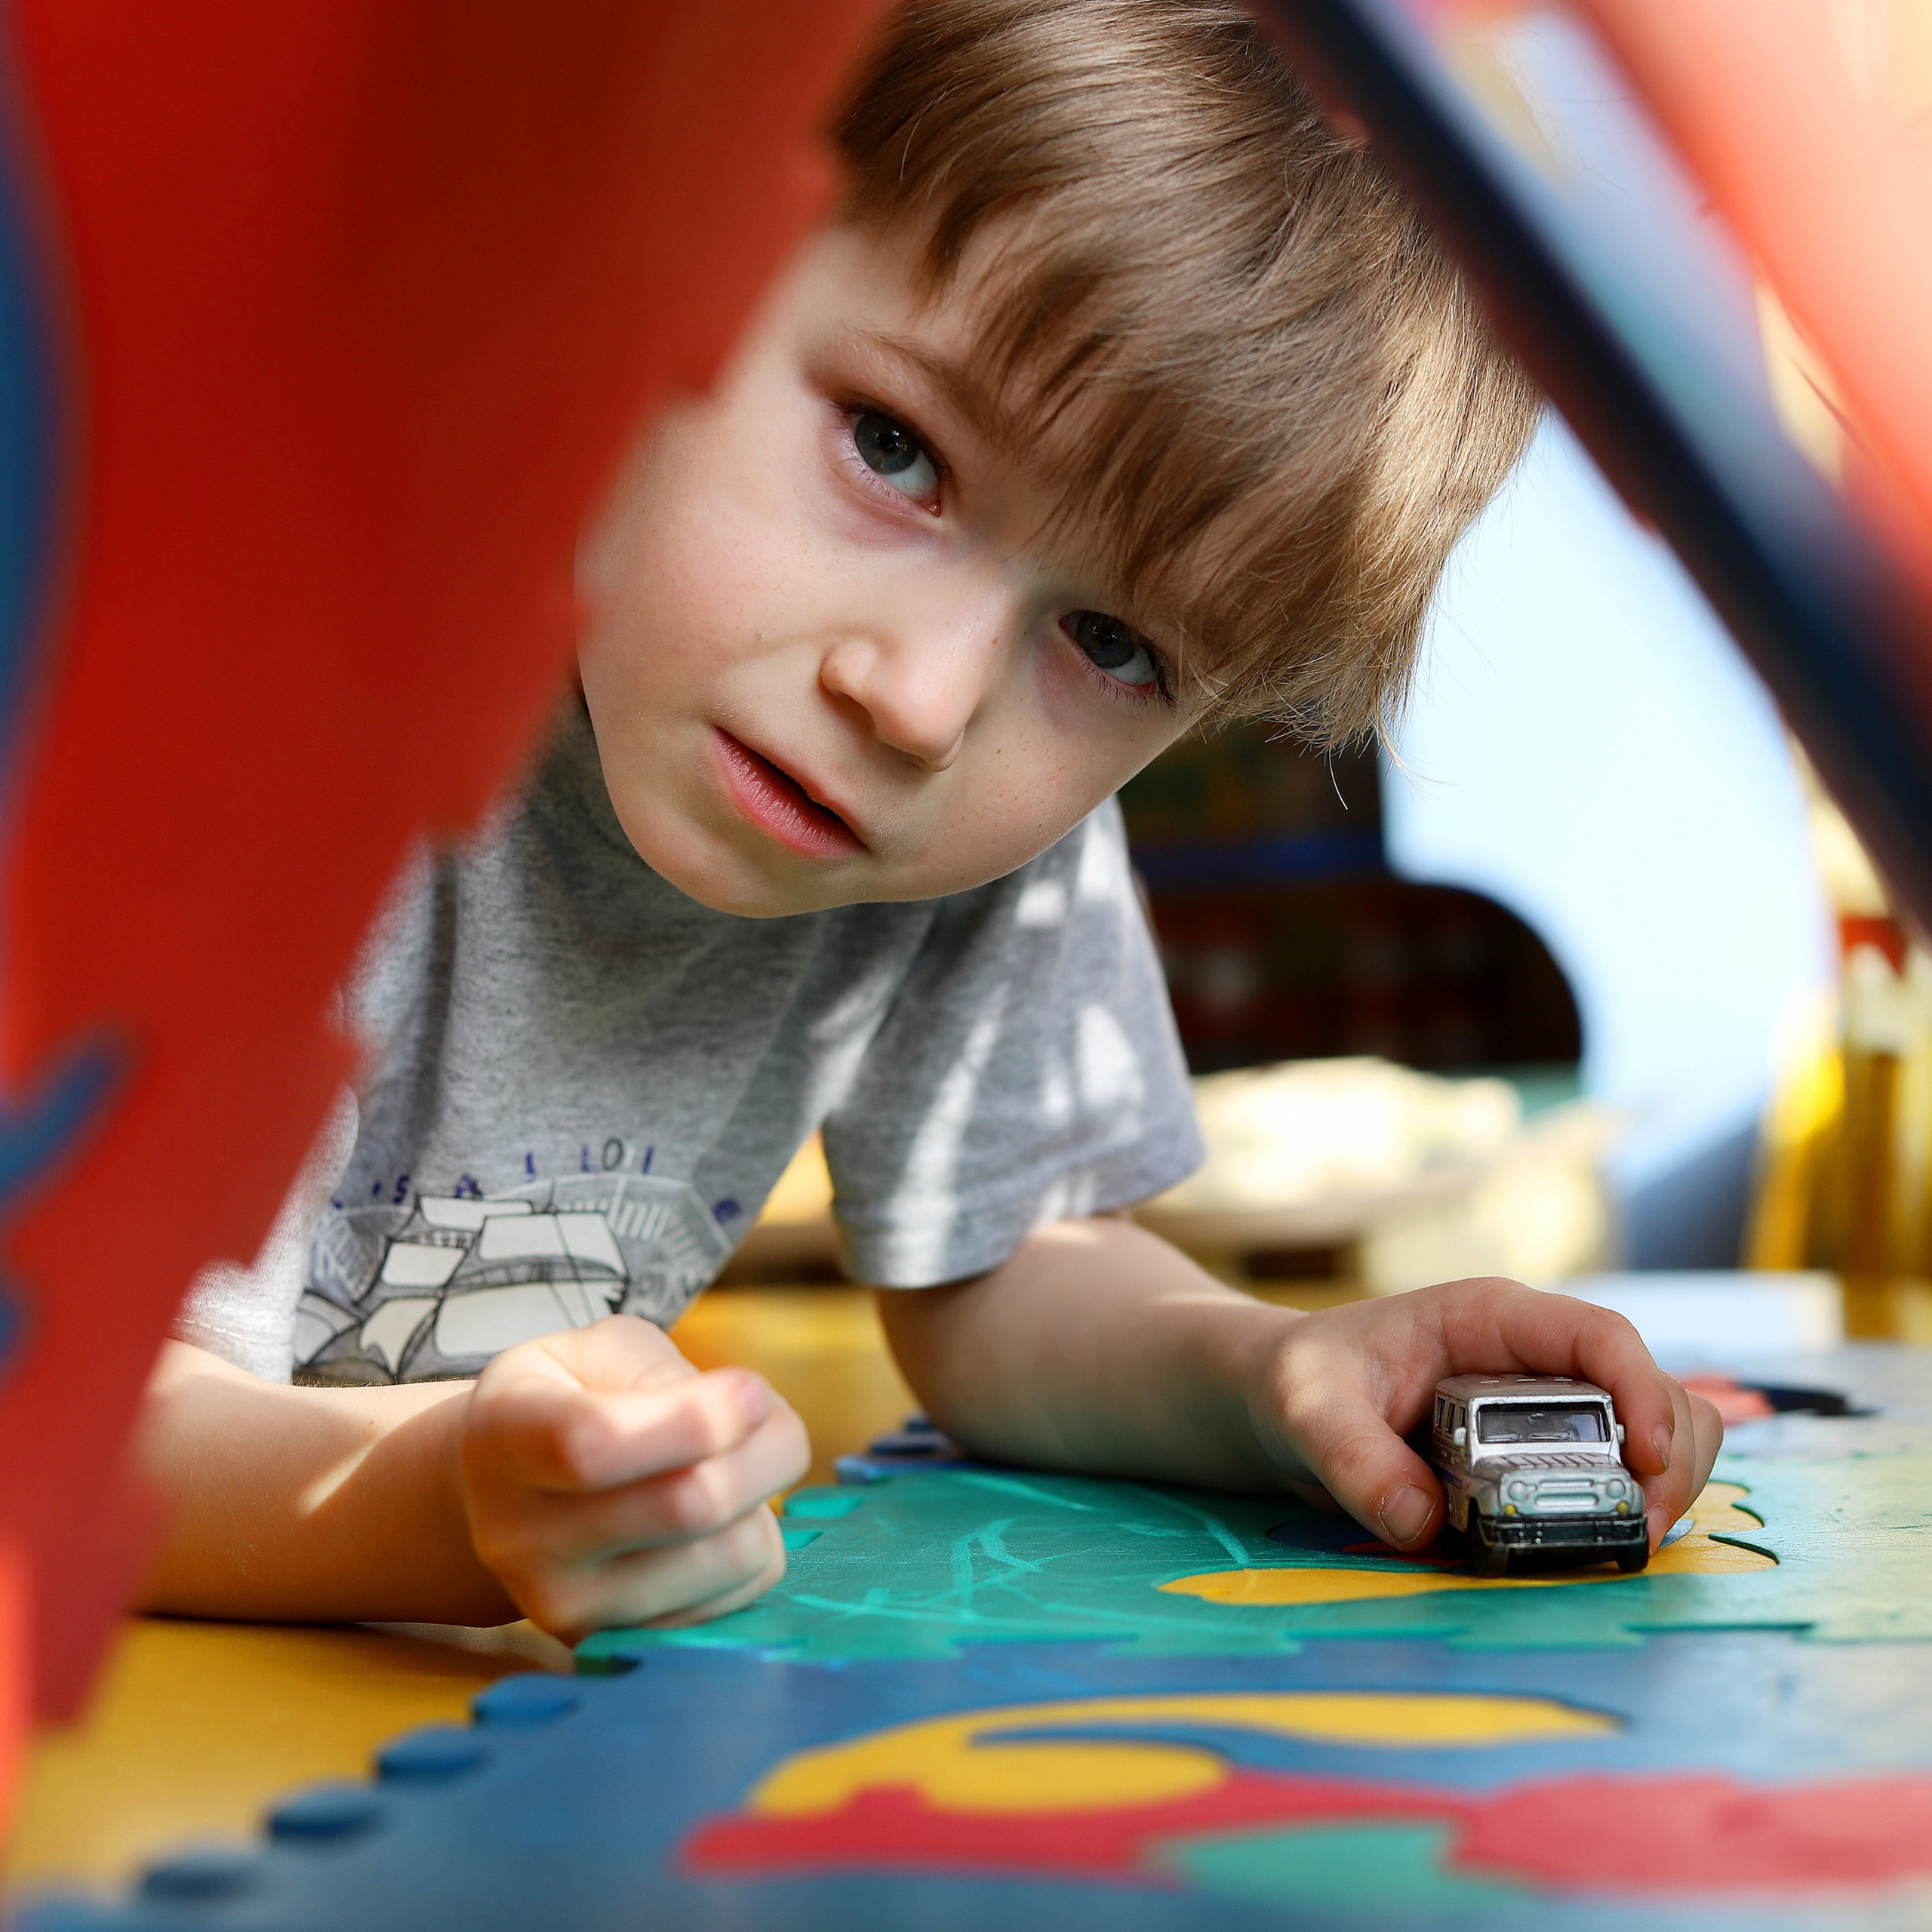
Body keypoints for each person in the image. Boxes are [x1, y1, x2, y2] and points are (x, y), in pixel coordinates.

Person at [138, 0, 1722, 1637]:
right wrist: (432, 1505)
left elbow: (1003, 1270)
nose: (922, 703)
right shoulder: (260, 709)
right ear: (662, 263)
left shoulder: (961, 835)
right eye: (895, 450)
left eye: (1112, 643)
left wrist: (1276, 1370)